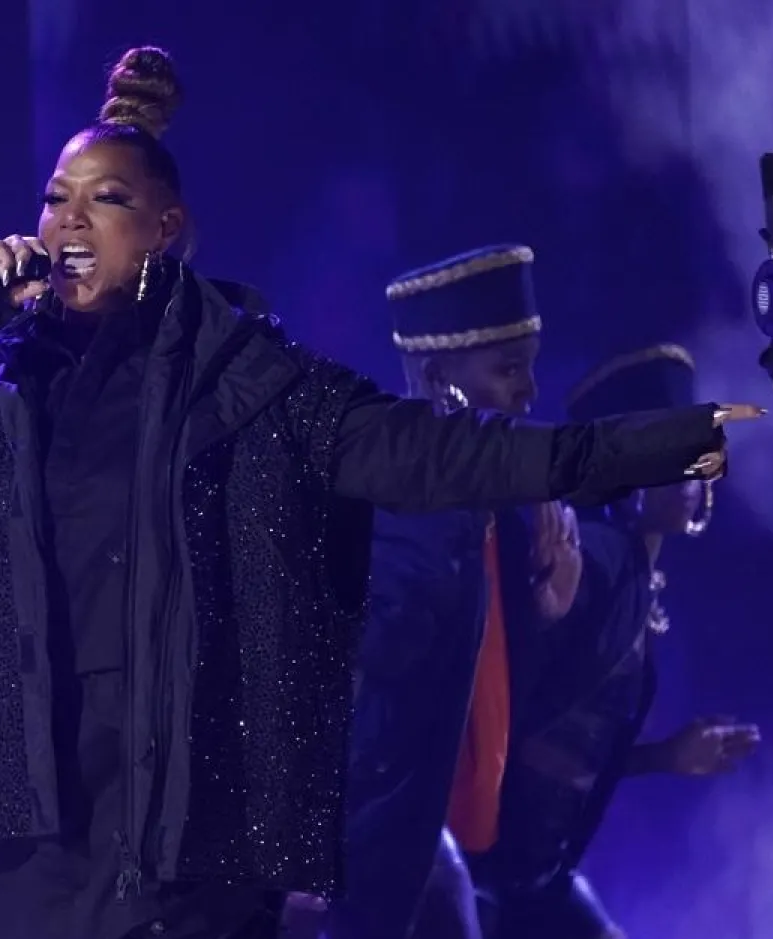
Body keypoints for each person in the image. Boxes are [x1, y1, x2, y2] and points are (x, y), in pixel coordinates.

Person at [0, 46, 756, 939]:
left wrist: (670, 441)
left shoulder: (252, 388)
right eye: (56, 201)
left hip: (196, 840)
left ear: (167, 231)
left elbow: (447, 455)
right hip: (34, 839)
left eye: (106, 199)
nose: (69, 223)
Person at [306, 245, 581, 939]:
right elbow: (351, 675)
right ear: (438, 380)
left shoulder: (496, 519)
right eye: (508, 369)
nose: (529, 392)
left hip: (432, 834)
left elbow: (483, 702)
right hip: (360, 846)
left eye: (530, 366)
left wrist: (545, 615)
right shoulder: (392, 506)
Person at [469, 344, 762, 939]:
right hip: (487, 873)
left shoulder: (635, 573)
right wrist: (545, 612)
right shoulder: (600, 557)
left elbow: (575, 752)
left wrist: (666, 757)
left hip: (538, 879)